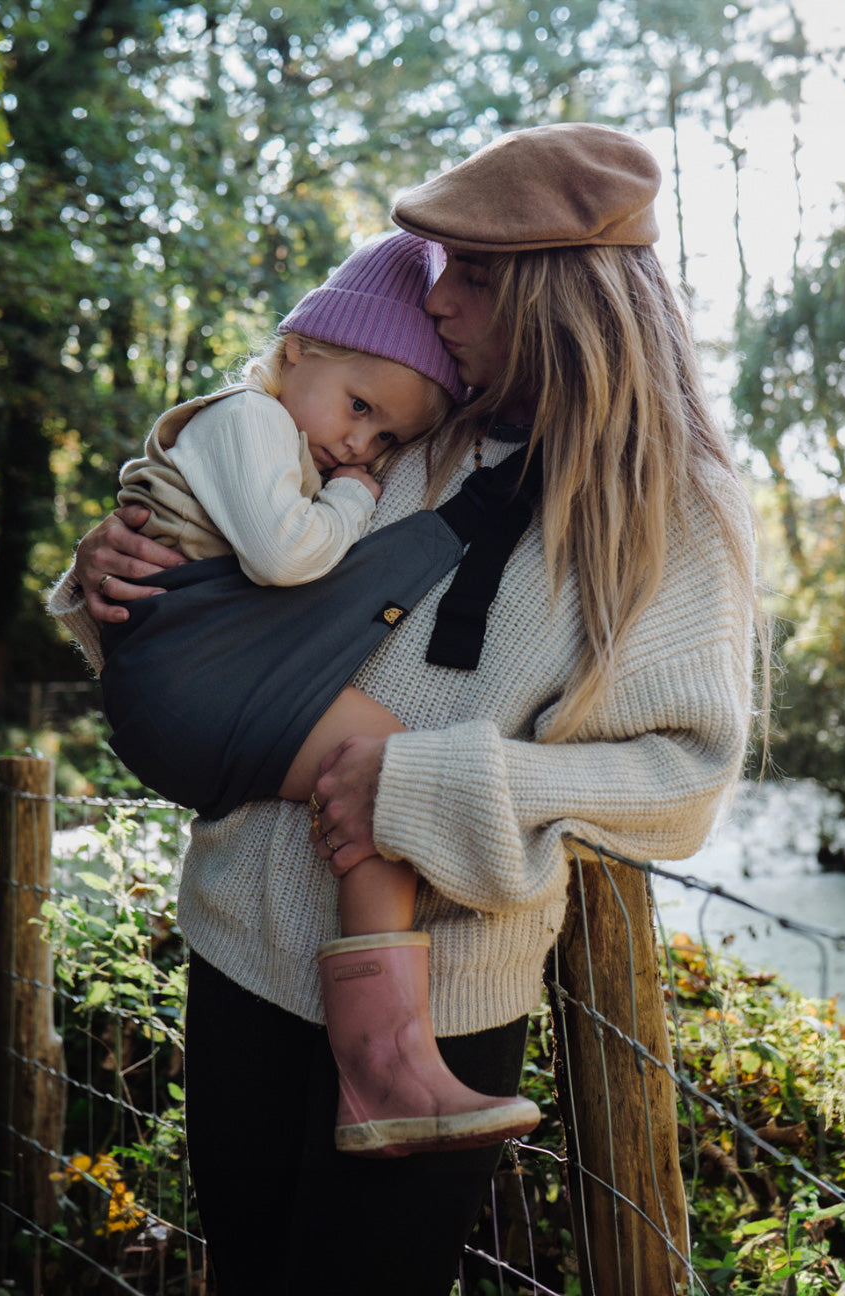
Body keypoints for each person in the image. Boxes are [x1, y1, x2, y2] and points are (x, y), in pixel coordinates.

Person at [49, 122, 761, 1295]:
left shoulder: (678, 505)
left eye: (474, 277)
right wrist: (120, 560)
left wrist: (428, 787)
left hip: (447, 994)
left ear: (558, 296)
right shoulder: (410, 427)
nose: (439, 302)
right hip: (240, 947)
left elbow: (682, 778)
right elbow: (237, 610)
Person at [95, 230, 541, 1157]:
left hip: (207, 671)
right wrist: (353, 499)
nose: (359, 443)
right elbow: (284, 554)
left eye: (384, 438)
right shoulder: (251, 420)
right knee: (395, 785)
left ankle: (390, 1063)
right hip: (196, 674)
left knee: (394, 787)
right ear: (299, 347)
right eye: (359, 408)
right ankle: (384, 1068)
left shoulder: (287, 430)